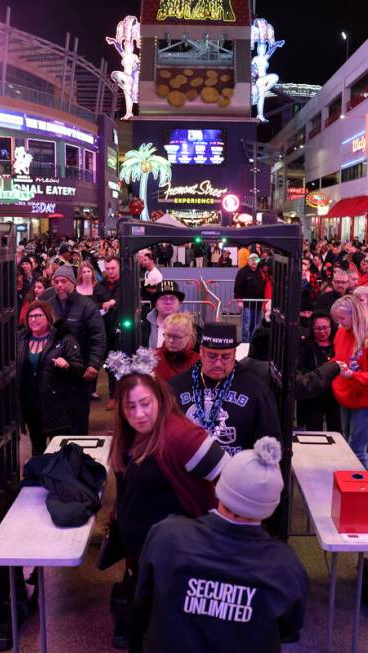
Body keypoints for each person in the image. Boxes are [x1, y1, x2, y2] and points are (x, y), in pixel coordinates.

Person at [131, 437, 308, 653]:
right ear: (269, 507)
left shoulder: (165, 536)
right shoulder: (286, 566)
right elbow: (288, 630)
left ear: (219, 488)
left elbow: (143, 601)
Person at [107, 364, 229, 648]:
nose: (139, 414)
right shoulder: (131, 435)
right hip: (145, 559)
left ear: (160, 398)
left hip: (178, 564)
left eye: (145, 403)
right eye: (130, 407)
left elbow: (232, 483)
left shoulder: (182, 436)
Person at [169, 323, 281, 456]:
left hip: (237, 472)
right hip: (187, 472)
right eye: (212, 356)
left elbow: (270, 439)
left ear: (234, 353)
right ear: (201, 352)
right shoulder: (177, 386)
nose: (218, 363)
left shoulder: (256, 388)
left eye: (225, 357)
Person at [39, 266, 106, 434]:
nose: (60, 285)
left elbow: (98, 337)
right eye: (56, 282)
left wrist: (94, 364)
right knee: (55, 422)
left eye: (64, 281)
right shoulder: (48, 306)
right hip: (53, 374)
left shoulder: (87, 306)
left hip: (79, 372)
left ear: (73, 283)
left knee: (78, 420)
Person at [18, 301, 84, 457]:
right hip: (31, 405)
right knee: (37, 449)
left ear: (48, 318)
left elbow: (79, 365)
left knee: (61, 449)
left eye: (38, 315)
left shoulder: (63, 339)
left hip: (57, 404)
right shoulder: (21, 340)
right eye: (31, 316)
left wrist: (68, 365)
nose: (34, 319)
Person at [330, 295, 368, 469]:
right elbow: (339, 358)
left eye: (341, 318)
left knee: (357, 449)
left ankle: (361, 487)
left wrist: (354, 376)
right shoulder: (342, 332)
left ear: (354, 315)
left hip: (366, 400)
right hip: (345, 395)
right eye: (337, 319)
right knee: (347, 441)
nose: (339, 322)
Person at [297, 313, 341, 432]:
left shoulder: (339, 344)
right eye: (318, 328)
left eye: (325, 327)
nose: (322, 331)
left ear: (332, 326)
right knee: (314, 431)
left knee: (337, 430)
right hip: (314, 395)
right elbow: (300, 369)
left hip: (335, 395)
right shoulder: (305, 345)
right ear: (312, 328)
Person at [95, 256, 123, 410]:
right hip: (104, 329)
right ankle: (113, 394)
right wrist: (103, 305)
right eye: (108, 268)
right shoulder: (99, 287)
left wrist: (112, 302)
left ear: (119, 268)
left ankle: (117, 396)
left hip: (122, 329)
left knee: (119, 363)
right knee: (108, 365)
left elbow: (124, 299)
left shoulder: (126, 284)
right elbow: (94, 304)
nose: (110, 271)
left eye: (113, 268)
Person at [155, 312, 201, 385]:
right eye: (168, 335)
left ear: (189, 337)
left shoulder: (199, 361)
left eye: (177, 337)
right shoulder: (153, 357)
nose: (171, 340)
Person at [141, 280, 187, 349]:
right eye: (163, 298)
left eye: (172, 298)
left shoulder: (191, 329)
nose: (168, 302)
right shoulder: (142, 329)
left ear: (179, 303)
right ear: (156, 304)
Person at [234, 253, 266, 343]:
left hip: (258, 304)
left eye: (256, 260)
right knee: (246, 326)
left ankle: (253, 343)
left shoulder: (259, 273)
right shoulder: (242, 272)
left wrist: (263, 302)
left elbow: (262, 287)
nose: (254, 262)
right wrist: (240, 301)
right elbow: (238, 287)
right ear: (248, 260)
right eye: (252, 260)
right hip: (246, 304)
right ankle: (245, 343)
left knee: (256, 325)